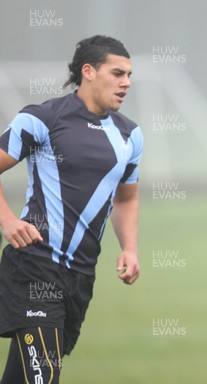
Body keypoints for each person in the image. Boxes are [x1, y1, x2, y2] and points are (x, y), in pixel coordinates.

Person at [0, 35, 143, 383]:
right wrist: (6, 220)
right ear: (89, 71)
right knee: (43, 376)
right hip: (35, 266)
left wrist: (129, 247)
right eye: (118, 73)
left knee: (25, 377)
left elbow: (126, 198)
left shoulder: (130, 135)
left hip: (80, 277)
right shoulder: (42, 118)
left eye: (129, 75)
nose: (126, 83)